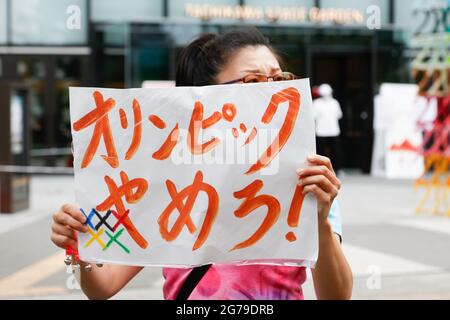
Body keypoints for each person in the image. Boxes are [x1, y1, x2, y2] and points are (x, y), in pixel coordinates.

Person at [51, 27, 352, 300]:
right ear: (206, 97)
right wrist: (79, 248)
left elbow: (337, 297)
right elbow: (103, 287)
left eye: (279, 78)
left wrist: (320, 222)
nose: (273, 91)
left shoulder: (307, 177)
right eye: (253, 81)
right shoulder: (169, 184)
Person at [313, 84, 344, 173]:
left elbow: (339, 115)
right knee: (320, 152)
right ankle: (319, 169)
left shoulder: (335, 103)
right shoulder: (316, 103)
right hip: (321, 132)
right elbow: (313, 116)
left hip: (333, 131)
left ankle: (337, 169)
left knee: (336, 152)